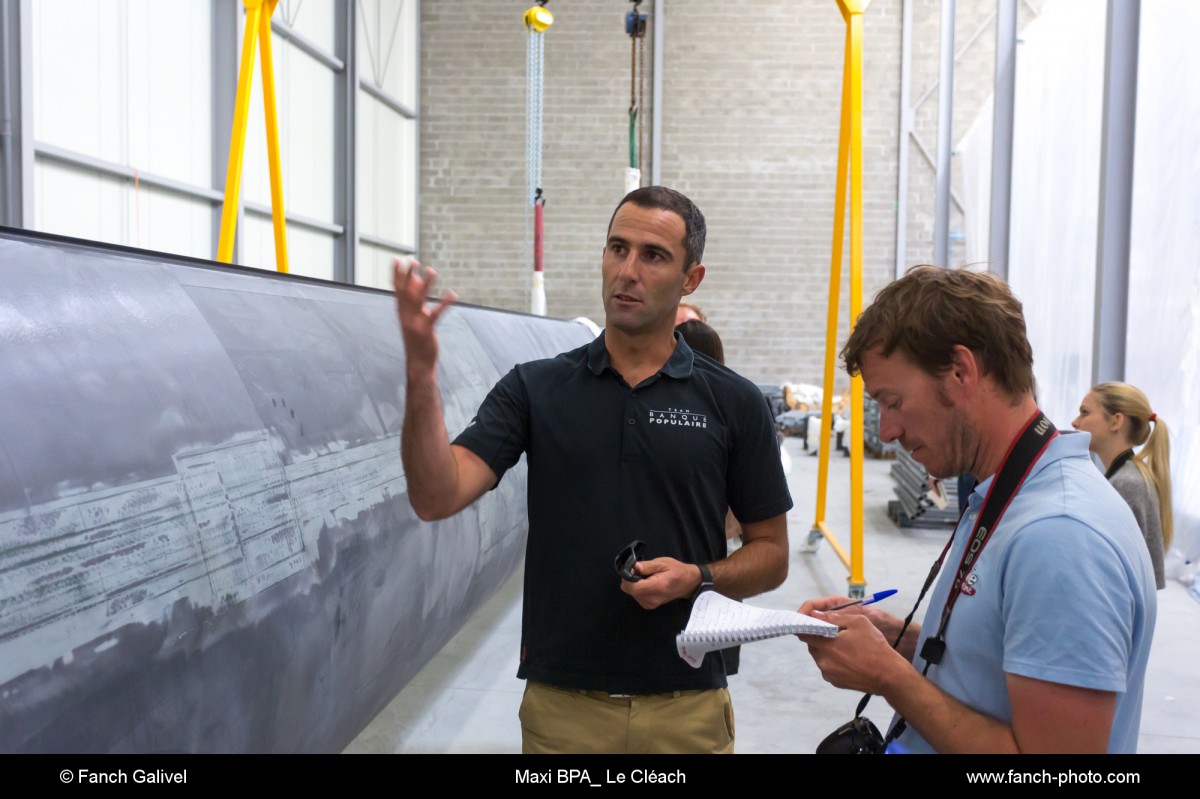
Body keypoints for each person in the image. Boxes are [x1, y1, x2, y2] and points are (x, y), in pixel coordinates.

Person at [394, 186, 791, 754]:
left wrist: (697, 577)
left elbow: (771, 554)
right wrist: (420, 375)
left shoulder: (734, 402)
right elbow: (436, 496)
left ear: (691, 279)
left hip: (687, 708)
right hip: (564, 711)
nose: (628, 271)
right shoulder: (535, 388)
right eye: (618, 249)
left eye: (653, 256)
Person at [798, 266, 1156, 754]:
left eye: (893, 401)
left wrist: (889, 676)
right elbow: (1000, 661)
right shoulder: (1015, 494)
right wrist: (901, 641)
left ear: (961, 371)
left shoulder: (1060, 535)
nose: (887, 431)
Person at [1072, 382, 1173, 590]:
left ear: (1116, 421)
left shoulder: (1127, 484)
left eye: (1085, 412)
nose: (1075, 422)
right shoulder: (1128, 477)